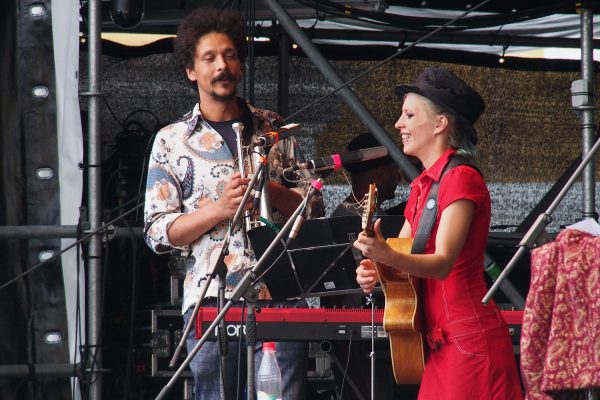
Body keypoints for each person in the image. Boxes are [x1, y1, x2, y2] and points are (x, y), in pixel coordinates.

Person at [143, 7, 316, 399]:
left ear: (240, 65)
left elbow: (313, 209)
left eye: (230, 56)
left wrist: (271, 192)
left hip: (281, 292)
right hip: (211, 297)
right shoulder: (171, 140)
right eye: (209, 58)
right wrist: (218, 210)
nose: (222, 65)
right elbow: (156, 232)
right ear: (191, 71)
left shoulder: (273, 126)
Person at [353, 66, 523, 399]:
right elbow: (404, 260)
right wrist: (377, 269)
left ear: (440, 124)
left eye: (409, 115)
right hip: (440, 342)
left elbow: (443, 261)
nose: (398, 124)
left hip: (469, 341)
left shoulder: (461, 177)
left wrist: (386, 254)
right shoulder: (422, 187)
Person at [331, 132, 403, 218]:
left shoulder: (343, 215)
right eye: (396, 171)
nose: (399, 178)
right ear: (382, 174)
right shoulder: (372, 223)